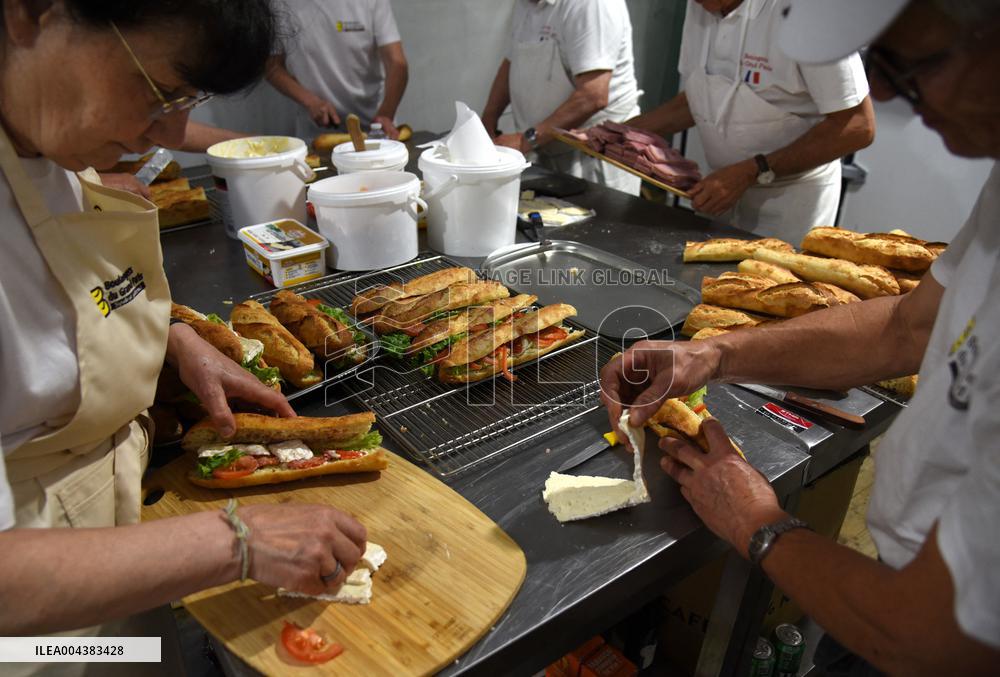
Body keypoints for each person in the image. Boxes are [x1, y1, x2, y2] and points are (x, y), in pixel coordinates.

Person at [600, 0, 1000, 672]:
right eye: (880, 65)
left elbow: (932, 636)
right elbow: (907, 323)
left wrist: (758, 522)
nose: (886, 93)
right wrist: (713, 353)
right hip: (889, 580)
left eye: (910, 64)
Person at [0, 0, 366, 654]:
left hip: (122, 574)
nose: (169, 135)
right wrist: (240, 540)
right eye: (159, 91)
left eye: (187, 100)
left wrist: (169, 337)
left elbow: (52, 301)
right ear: (31, 14)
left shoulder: (47, 137)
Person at [627, 0, 876, 240]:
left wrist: (751, 172)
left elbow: (858, 126)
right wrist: (620, 134)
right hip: (719, 192)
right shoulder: (701, 6)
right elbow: (698, 97)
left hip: (789, 205)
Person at [482, 0, 643, 195]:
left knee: (595, 222)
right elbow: (511, 61)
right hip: (543, 146)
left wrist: (525, 141)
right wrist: (487, 121)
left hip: (592, 159)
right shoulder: (526, 3)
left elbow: (593, 95)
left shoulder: (592, 5)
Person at [266, 0, 408, 140]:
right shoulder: (281, 3)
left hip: (375, 130)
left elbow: (396, 63)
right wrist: (311, 101)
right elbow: (272, 67)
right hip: (317, 136)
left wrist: (385, 115)